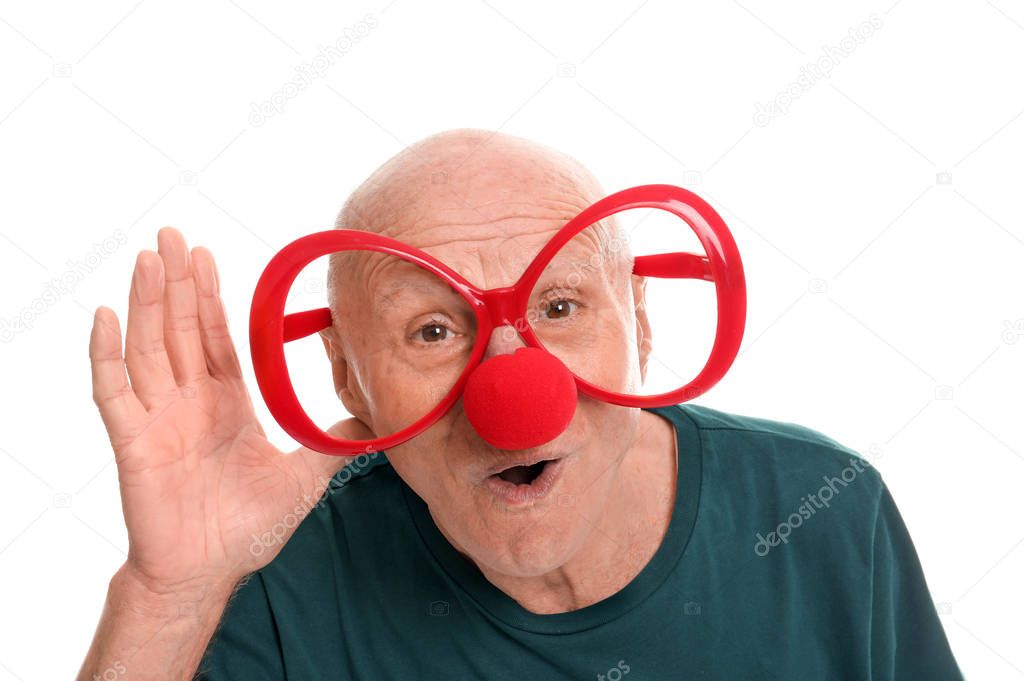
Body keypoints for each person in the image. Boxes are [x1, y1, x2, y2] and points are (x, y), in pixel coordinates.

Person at [79, 129, 964, 680]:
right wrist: (171, 594)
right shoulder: (283, 584)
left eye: (561, 306)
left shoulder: (823, 509)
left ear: (640, 323)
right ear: (348, 382)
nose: (515, 392)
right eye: (433, 330)